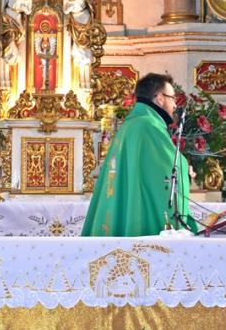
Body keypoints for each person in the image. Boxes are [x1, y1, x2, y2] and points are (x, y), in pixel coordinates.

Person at [81, 73, 198, 236]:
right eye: (172, 98)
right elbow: (170, 167)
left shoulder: (132, 123)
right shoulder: (149, 126)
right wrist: (185, 169)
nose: (174, 105)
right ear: (160, 98)